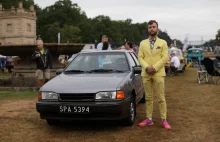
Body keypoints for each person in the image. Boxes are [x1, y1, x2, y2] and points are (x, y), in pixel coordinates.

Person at [138, 20, 171, 130]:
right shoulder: (143, 43)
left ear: (157, 29)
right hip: (146, 73)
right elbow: (140, 57)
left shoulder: (163, 43)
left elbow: (165, 57)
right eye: (150, 27)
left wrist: (155, 67)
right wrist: (147, 67)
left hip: (158, 73)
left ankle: (163, 119)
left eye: (153, 27)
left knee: (161, 97)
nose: (151, 29)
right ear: (148, 29)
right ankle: (149, 119)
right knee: (148, 97)